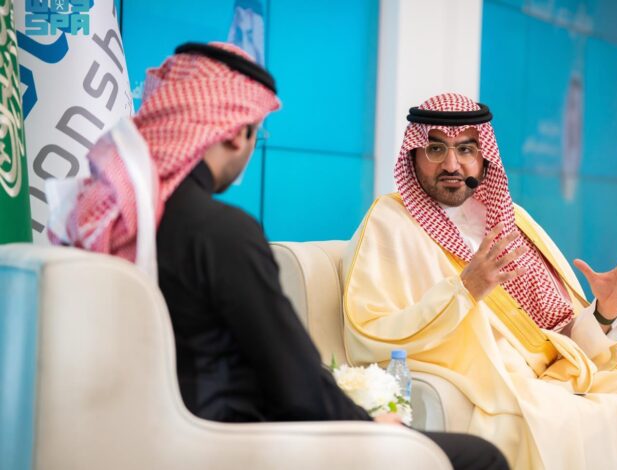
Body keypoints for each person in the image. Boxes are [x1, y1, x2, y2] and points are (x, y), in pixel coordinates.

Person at [48, 44, 508, 470]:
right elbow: (295, 383)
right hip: (224, 440)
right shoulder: (220, 232)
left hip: (134, 432)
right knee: (482, 458)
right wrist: (370, 426)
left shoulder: (117, 222)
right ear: (236, 134)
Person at [342, 93, 617, 469]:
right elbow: (368, 333)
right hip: (492, 383)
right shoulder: (391, 223)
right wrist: (465, 290)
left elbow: (556, 335)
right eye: (436, 149)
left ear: (484, 157)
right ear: (413, 155)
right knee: (559, 421)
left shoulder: (511, 220)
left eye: (466, 149)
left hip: (554, 375)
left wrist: (605, 312)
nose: (452, 164)